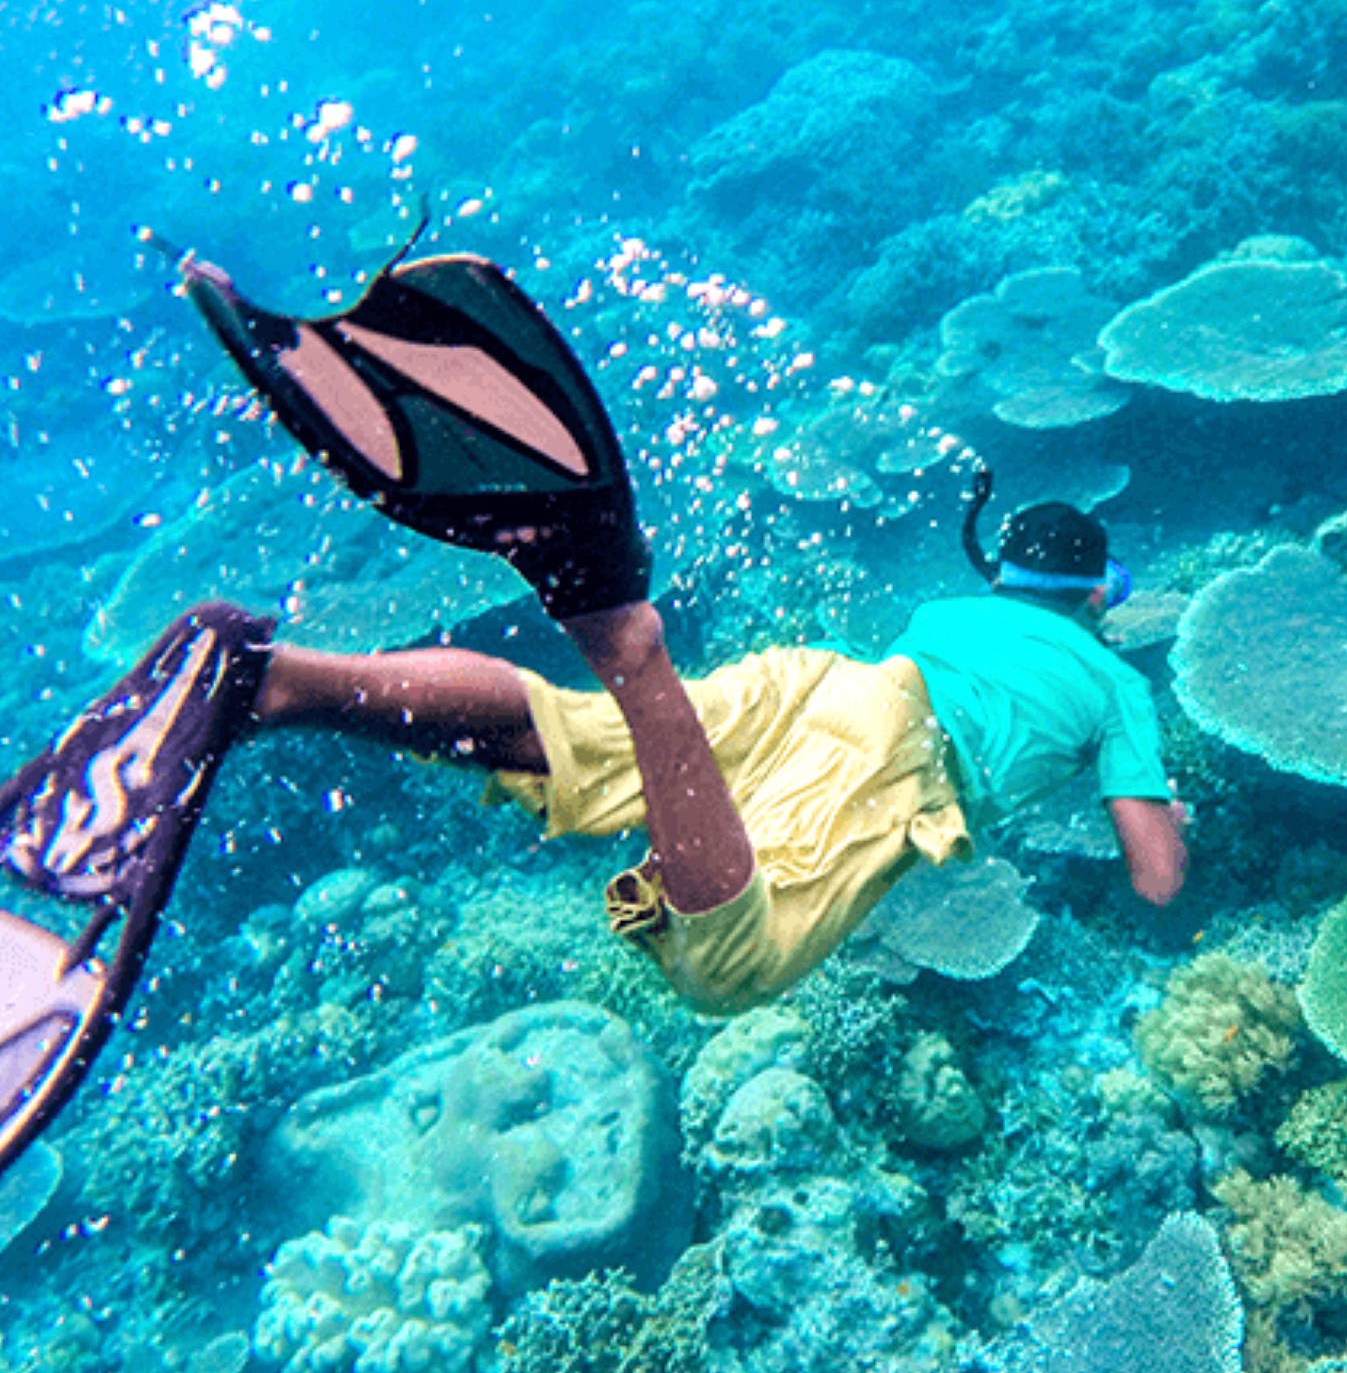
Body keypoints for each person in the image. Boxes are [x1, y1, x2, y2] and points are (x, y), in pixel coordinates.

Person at [0, 246, 1184, 1172]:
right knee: (731, 965)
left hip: (824, 684)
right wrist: (1164, 814)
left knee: (564, 743)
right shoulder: (1118, 678)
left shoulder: (957, 611)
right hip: (899, 762)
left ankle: (272, 678)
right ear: (1094, 595)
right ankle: (625, 630)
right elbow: (1155, 877)